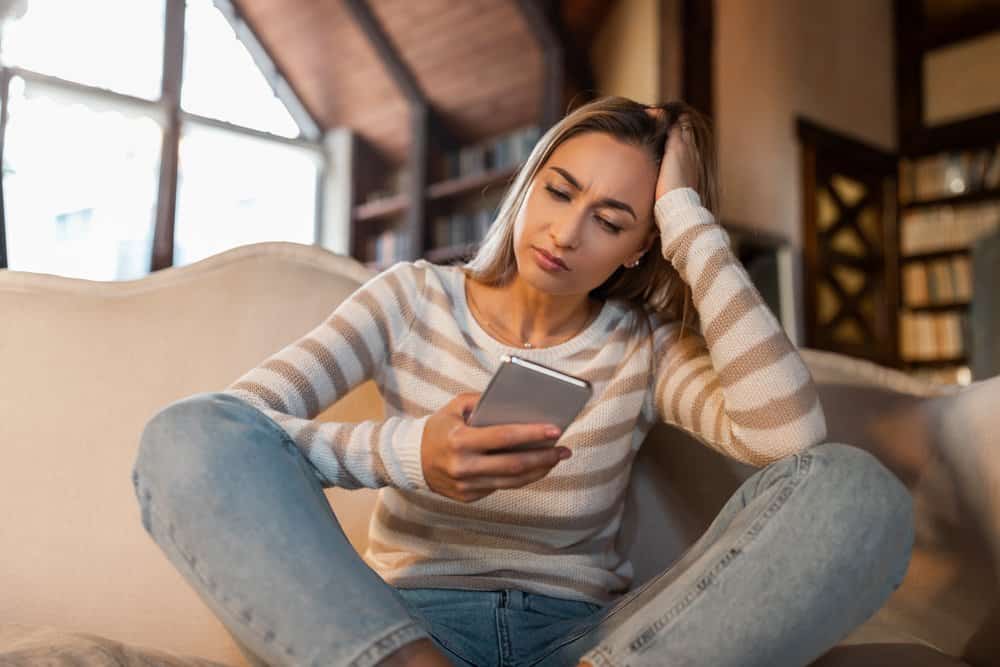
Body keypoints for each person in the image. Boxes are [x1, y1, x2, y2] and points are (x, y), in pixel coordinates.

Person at [132, 97, 918, 667]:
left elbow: (790, 439)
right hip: (407, 630)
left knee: (857, 489)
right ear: (531, 181)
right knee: (183, 433)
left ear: (642, 248)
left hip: (593, 642)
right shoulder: (411, 298)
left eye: (613, 221)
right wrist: (411, 453)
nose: (565, 233)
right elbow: (234, 429)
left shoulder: (643, 348)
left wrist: (688, 220)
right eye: (560, 191)